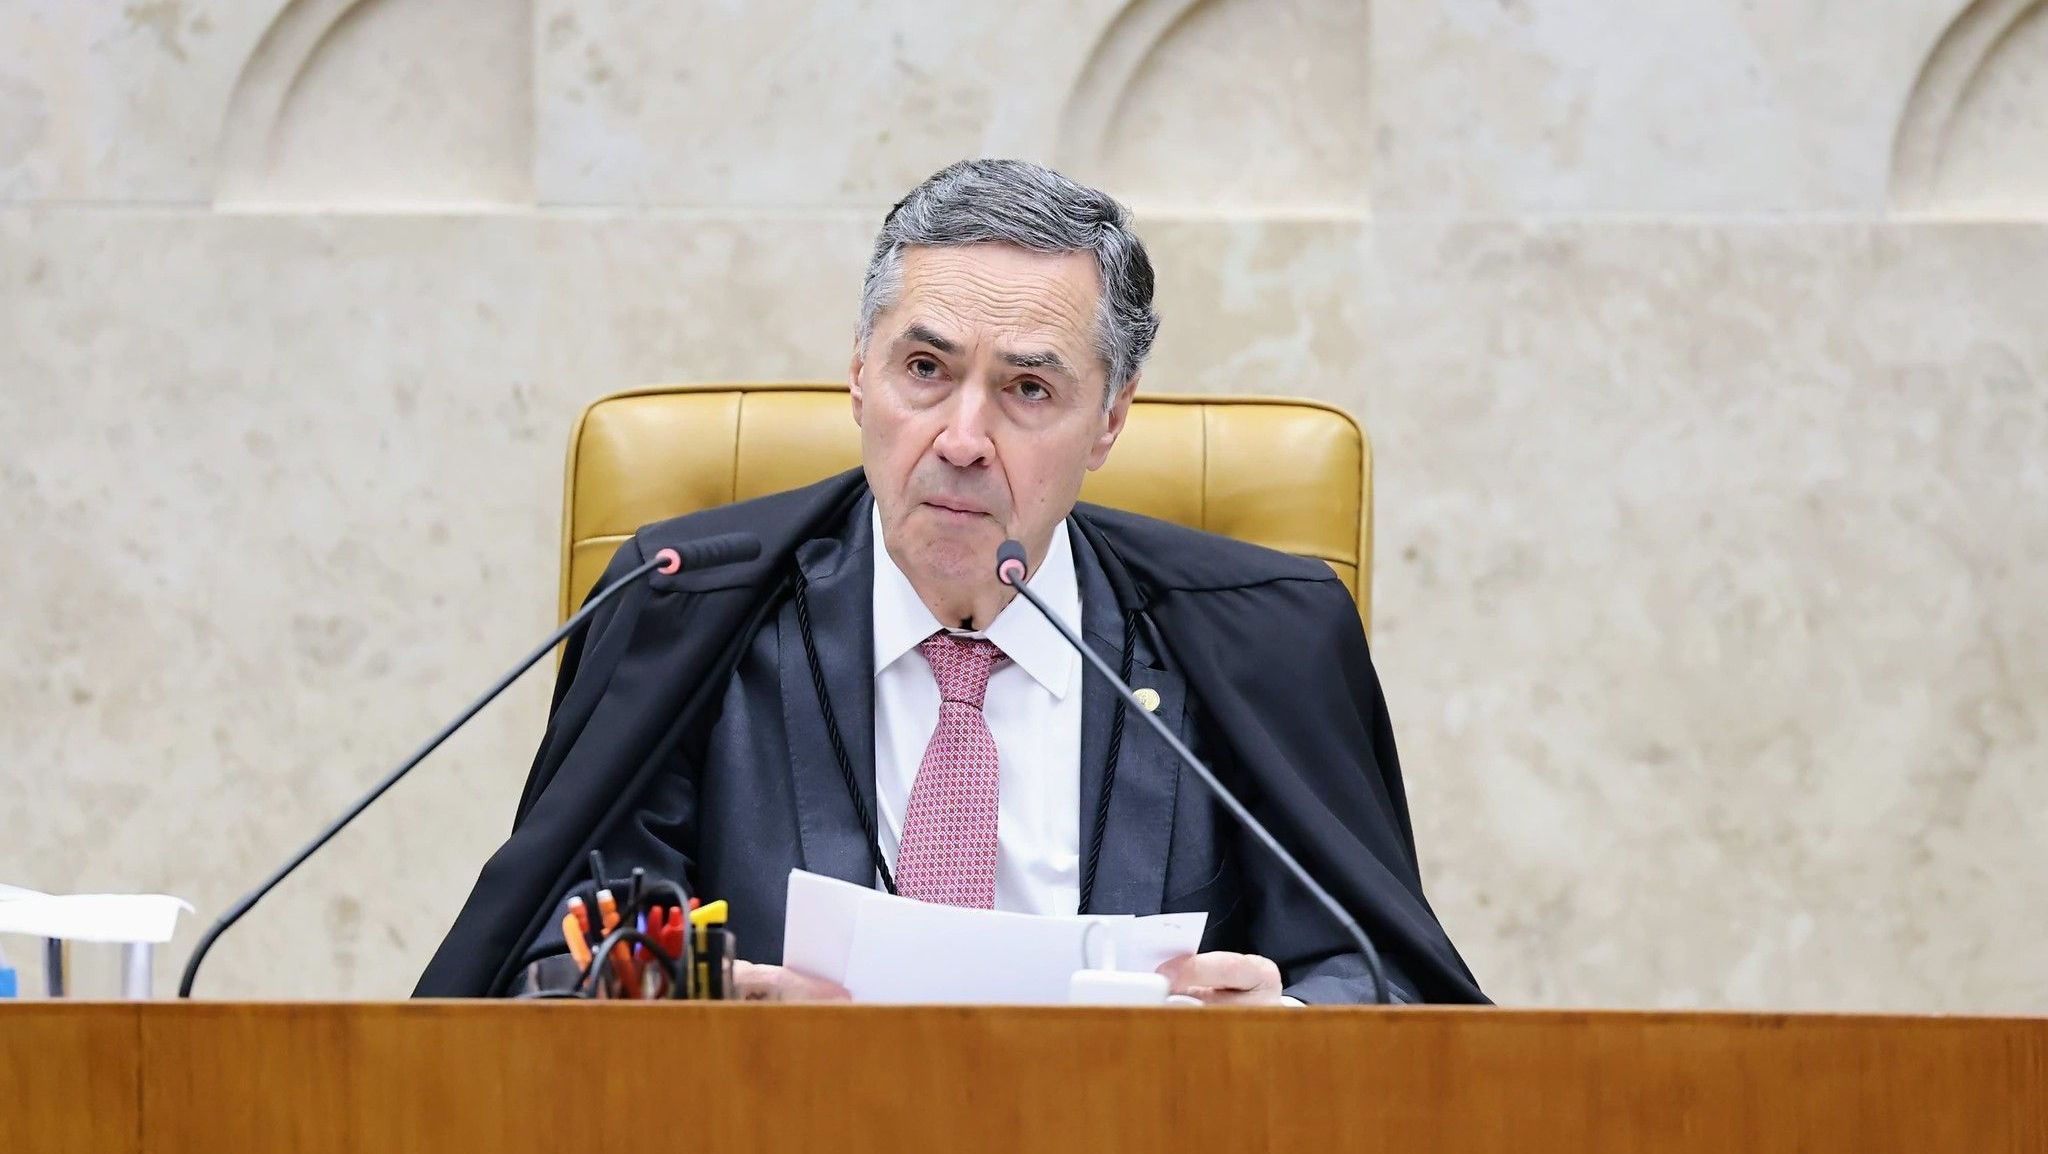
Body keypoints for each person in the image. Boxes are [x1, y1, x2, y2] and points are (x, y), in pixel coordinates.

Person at [417, 158, 1485, 1005]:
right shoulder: (683, 609)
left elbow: (1383, 982)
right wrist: (692, 999)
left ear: (1110, 420)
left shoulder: (1263, 637)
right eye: (924, 370)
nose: (962, 438)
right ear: (858, 373)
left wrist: (1283, 1023)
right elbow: (554, 958)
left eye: (1028, 389)